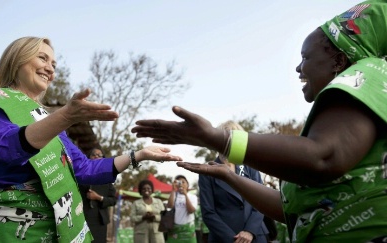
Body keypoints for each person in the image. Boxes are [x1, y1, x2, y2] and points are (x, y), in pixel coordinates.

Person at [131, 1, 387, 242]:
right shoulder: (346, 110)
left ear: (340, 62)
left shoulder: (367, 75)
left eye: (306, 57)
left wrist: (215, 138)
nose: (299, 68)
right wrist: (229, 177)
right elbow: (290, 209)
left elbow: (324, 157)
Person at [0, 36, 182, 243]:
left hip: (50, 232)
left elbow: (84, 169)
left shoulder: (47, 119)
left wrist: (138, 155)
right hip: (3, 231)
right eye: (42, 58)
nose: (50, 69)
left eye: (54, 64)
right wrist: (65, 116)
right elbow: (7, 148)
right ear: (17, 60)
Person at [199, 120, 269, 243]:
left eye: (233, 140)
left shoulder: (250, 167)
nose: (228, 144)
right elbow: (208, 211)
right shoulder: (207, 171)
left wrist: (249, 231)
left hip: (255, 236)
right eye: (224, 139)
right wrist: (233, 239)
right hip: (224, 238)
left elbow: (261, 203)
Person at [79, 148, 117, 243]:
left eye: (99, 155)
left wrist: (99, 198)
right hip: (81, 218)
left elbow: (113, 200)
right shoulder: (80, 176)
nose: (96, 156)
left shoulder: (107, 180)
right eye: (93, 154)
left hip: (99, 221)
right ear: (89, 158)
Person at [166, 175, 198, 243]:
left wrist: (185, 194)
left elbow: (191, 210)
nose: (181, 184)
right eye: (178, 182)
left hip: (188, 230)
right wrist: (173, 190)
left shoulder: (192, 197)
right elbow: (169, 206)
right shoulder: (173, 195)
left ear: (187, 184)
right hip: (175, 229)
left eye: (183, 182)